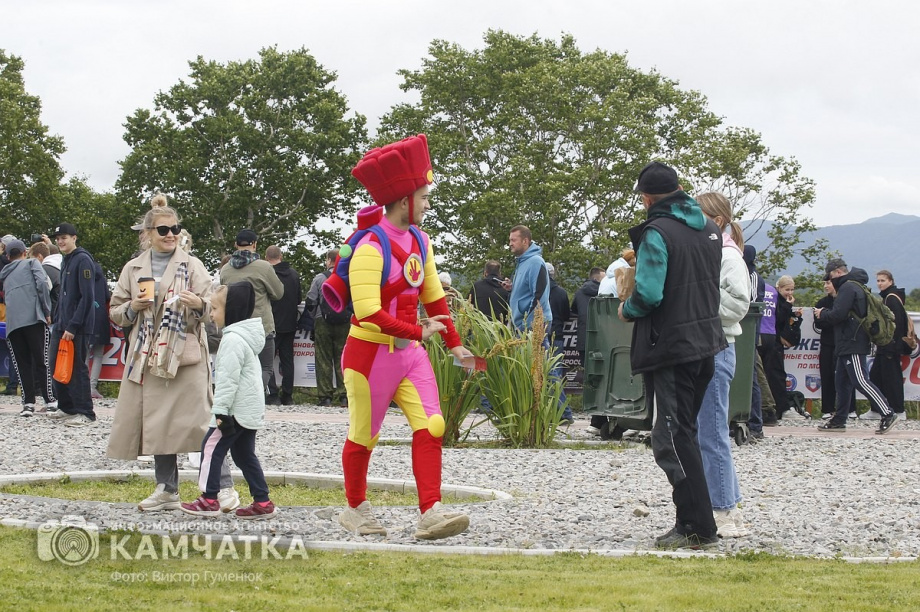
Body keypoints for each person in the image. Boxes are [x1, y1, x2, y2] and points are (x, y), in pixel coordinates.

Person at [328, 134, 472, 540]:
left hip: (410, 355)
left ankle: (432, 511)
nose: (427, 204)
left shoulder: (421, 241)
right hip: (369, 356)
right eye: (423, 196)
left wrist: (455, 343)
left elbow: (433, 295)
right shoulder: (370, 248)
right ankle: (355, 508)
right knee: (363, 434)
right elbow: (368, 311)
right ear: (405, 199)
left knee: (433, 424)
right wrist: (417, 330)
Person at [617, 161, 725, 550]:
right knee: (686, 433)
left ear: (646, 198)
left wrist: (626, 309)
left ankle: (698, 527)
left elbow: (648, 294)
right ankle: (692, 521)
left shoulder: (657, 232)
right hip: (707, 343)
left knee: (672, 438)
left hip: (673, 347)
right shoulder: (711, 230)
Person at [106, 205, 238, 513]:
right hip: (147, 357)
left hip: (185, 357)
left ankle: (224, 486)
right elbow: (116, 311)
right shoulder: (132, 267)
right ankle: (166, 488)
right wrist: (133, 307)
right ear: (148, 234)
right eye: (164, 230)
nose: (171, 235)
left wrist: (198, 303)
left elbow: (215, 307)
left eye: (175, 229)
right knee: (158, 422)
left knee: (202, 423)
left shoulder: (193, 265)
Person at [181, 282, 277, 519]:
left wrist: (220, 412)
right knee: (244, 455)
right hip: (249, 411)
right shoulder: (246, 337)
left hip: (232, 411)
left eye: (214, 308)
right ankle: (262, 502)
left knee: (211, 448)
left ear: (231, 310)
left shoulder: (232, 340)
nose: (211, 314)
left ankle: (208, 498)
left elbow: (227, 380)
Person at [694, 192, 751, 537]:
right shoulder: (714, 253)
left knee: (713, 433)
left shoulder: (729, 256)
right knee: (708, 432)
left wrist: (698, 299)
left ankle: (724, 511)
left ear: (716, 220)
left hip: (718, 346)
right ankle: (728, 503)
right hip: (707, 346)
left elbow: (739, 304)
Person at [814, 258, 898, 434]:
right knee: (842, 383)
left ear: (837, 272)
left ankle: (887, 413)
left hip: (852, 341)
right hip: (847, 342)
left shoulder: (847, 288)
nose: (830, 280)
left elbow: (838, 314)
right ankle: (839, 419)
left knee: (860, 381)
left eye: (830, 276)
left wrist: (823, 313)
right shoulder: (854, 287)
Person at [507, 225, 573, 424]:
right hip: (523, 324)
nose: (510, 244)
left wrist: (531, 321)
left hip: (532, 325)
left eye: (513, 240)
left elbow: (540, 294)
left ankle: (563, 413)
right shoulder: (522, 262)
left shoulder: (535, 262)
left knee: (545, 369)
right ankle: (545, 413)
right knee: (535, 370)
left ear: (525, 241)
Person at [220, 229, 284, 402]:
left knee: (238, 368)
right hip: (261, 326)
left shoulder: (225, 270)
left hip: (235, 327)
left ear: (235, 244)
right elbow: (278, 293)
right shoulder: (264, 267)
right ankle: (251, 398)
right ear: (255, 244)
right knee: (265, 367)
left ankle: (236, 398)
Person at [45, 223, 97, 426]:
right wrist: (56, 318)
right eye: (57, 238)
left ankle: (86, 412)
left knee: (77, 369)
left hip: (78, 327)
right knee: (55, 366)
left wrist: (73, 326)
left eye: (64, 237)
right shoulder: (66, 260)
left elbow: (87, 297)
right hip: (61, 323)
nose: (60, 241)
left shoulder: (83, 260)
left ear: (74, 238)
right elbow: (64, 296)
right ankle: (66, 407)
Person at [0, 239, 56, 416]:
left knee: (21, 364)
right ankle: (50, 400)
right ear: (25, 252)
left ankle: (28, 404)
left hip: (13, 323)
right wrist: (47, 311)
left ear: (8, 256)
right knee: (42, 361)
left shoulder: (4, 273)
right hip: (33, 318)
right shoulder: (32, 263)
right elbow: (41, 284)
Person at [306, 248, 350, 407]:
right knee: (343, 359)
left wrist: (313, 319)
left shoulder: (320, 278)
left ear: (329, 261)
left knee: (323, 359)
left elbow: (311, 300)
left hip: (323, 321)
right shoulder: (349, 277)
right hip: (345, 322)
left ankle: (325, 397)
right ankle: (344, 395)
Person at [265, 245, 301, 406]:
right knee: (287, 360)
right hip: (290, 322)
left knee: (267, 360)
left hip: (272, 322)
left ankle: (272, 394)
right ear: (281, 255)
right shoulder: (293, 274)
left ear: (267, 258)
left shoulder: (268, 273)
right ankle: (288, 395)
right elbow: (299, 298)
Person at [869, 269, 909, 417]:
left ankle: (899, 410)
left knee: (892, 379)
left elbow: (895, 324)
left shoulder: (891, 299)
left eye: (883, 280)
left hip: (890, 346)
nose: (880, 284)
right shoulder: (889, 297)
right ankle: (876, 409)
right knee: (875, 377)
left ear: (890, 282)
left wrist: (891, 344)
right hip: (885, 345)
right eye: (878, 281)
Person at [570, 266, 605, 432]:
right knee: (604, 378)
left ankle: (592, 413)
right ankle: (601, 417)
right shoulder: (604, 291)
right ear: (598, 278)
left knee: (589, 379)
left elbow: (573, 311)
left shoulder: (579, 293)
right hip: (602, 339)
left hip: (583, 340)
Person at [775, 275, 804, 419]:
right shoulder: (777, 302)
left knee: (779, 374)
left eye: (792, 290)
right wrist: (787, 306)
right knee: (777, 374)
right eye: (787, 289)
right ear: (778, 288)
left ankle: (781, 407)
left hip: (780, 342)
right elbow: (778, 319)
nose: (790, 293)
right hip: (774, 342)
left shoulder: (785, 302)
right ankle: (781, 408)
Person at [87, 259, 111, 399]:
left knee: (83, 353)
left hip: (85, 316)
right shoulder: (101, 277)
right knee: (98, 354)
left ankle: (83, 387)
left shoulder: (81, 273)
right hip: (101, 317)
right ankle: (92, 387)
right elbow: (107, 296)